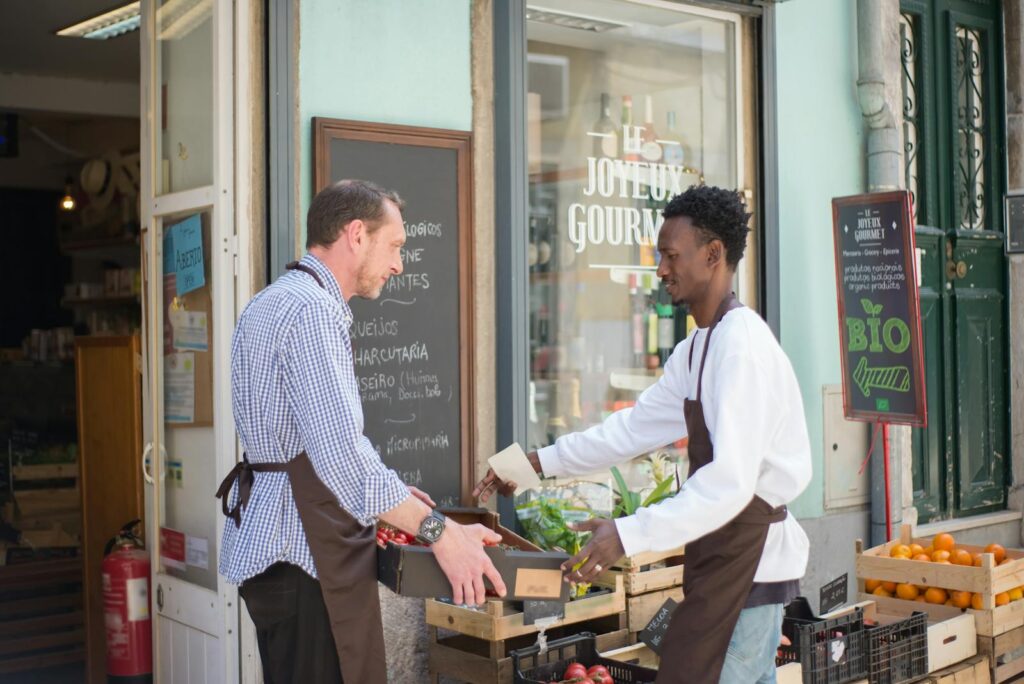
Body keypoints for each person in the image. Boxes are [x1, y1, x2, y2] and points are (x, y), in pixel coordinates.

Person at [475, 185, 811, 683]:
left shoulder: (742, 348)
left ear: (713, 255)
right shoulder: (699, 347)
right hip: (720, 555)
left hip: (751, 563)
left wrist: (627, 534)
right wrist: (538, 463)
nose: (661, 270)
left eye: (672, 256)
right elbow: (630, 430)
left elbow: (732, 483)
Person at [217, 179, 506, 684]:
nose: (398, 264)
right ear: (356, 234)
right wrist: (440, 533)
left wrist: (392, 497)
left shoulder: (270, 300)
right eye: (394, 246)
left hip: (278, 541)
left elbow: (316, 446)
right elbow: (343, 461)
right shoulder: (314, 312)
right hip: (304, 552)